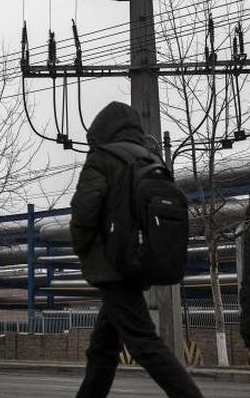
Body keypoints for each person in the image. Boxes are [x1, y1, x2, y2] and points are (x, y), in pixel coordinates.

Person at [70, 101, 204, 398]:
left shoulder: (102, 158)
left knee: (143, 341)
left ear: (100, 130)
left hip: (113, 264)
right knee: (103, 348)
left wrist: (83, 249)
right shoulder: (151, 159)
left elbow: (84, 212)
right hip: (139, 261)